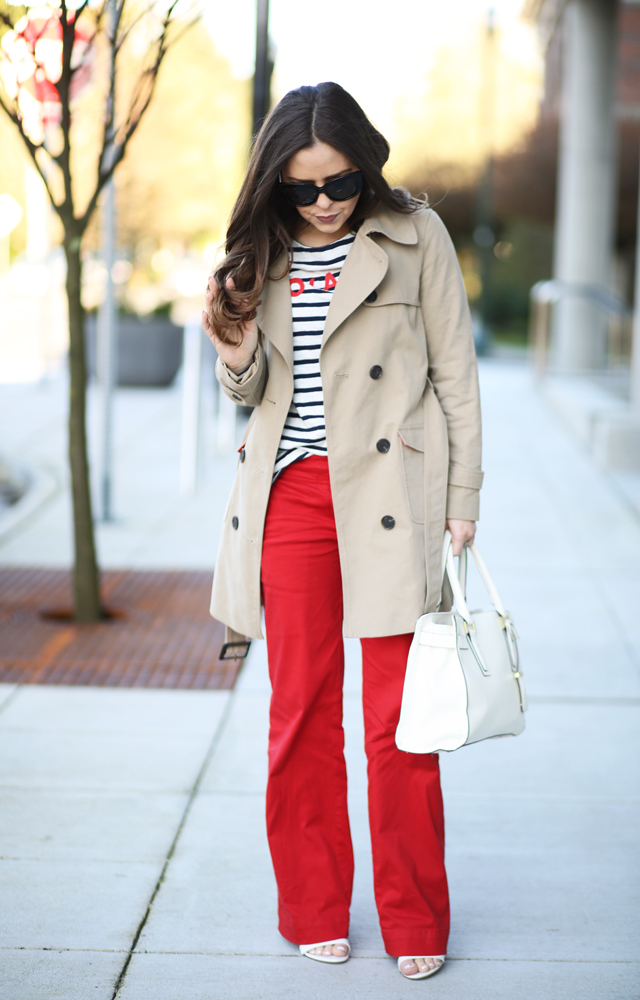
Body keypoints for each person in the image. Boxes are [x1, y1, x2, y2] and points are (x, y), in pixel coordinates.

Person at [202, 82, 482, 982]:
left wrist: (464, 495)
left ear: (367, 164)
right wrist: (236, 346)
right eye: (301, 189)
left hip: (393, 497)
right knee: (301, 715)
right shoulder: (258, 252)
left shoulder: (416, 235)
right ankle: (315, 905)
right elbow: (248, 397)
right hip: (293, 500)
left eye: (340, 183)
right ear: (274, 187)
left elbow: (457, 377)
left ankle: (413, 917)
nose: (323, 203)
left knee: (401, 725)